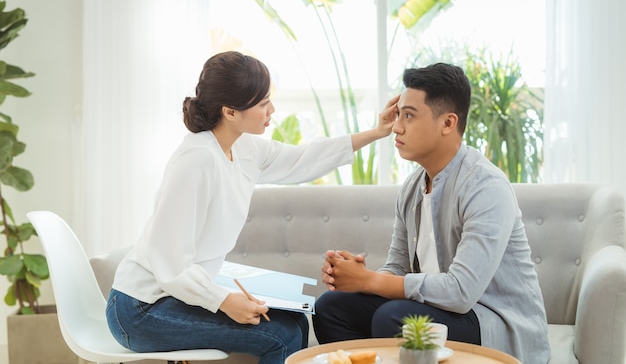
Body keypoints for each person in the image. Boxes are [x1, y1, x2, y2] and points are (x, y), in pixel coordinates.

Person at [105, 51, 399, 364]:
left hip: (173, 298)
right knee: (280, 336)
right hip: (141, 309)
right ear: (230, 111)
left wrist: (376, 132)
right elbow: (170, 263)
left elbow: (303, 159)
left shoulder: (244, 147)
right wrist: (224, 301)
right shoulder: (196, 161)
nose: (271, 110)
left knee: (295, 322)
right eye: (262, 104)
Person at [312, 63, 550, 364]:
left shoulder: (485, 186)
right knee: (332, 307)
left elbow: (461, 292)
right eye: (398, 115)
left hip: (490, 320)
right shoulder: (413, 187)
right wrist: (354, 275)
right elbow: (397, 267)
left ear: (448, 123)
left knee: (397, 319)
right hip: (438, 310)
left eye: (408, 115)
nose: (397, 127)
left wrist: (370, 281)